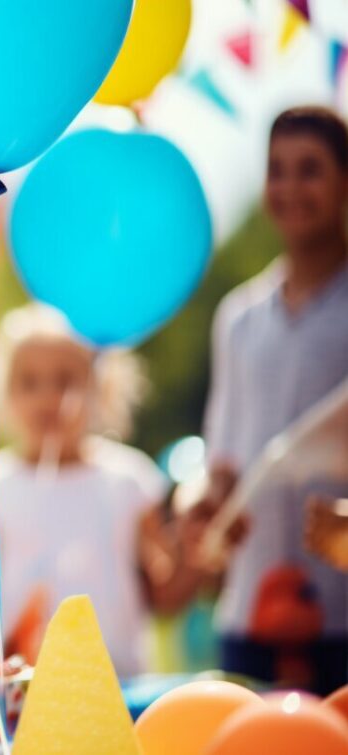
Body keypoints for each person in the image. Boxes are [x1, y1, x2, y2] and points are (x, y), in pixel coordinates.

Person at [0, 304, 210, 678]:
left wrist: (200, 558)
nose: (48, 398)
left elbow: (162, 596)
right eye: (29, 382)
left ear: (100, 389)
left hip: (118, 685)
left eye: (66, 381)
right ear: (3, 392)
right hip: (17, 690)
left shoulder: (130, 479)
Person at [196, 107, 348, 694]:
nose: (290, 188)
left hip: (339, 617)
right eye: (276, 171)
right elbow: (223, 457)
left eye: (310, 170)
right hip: (247, 617)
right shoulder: (237, 317)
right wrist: (207, 505)